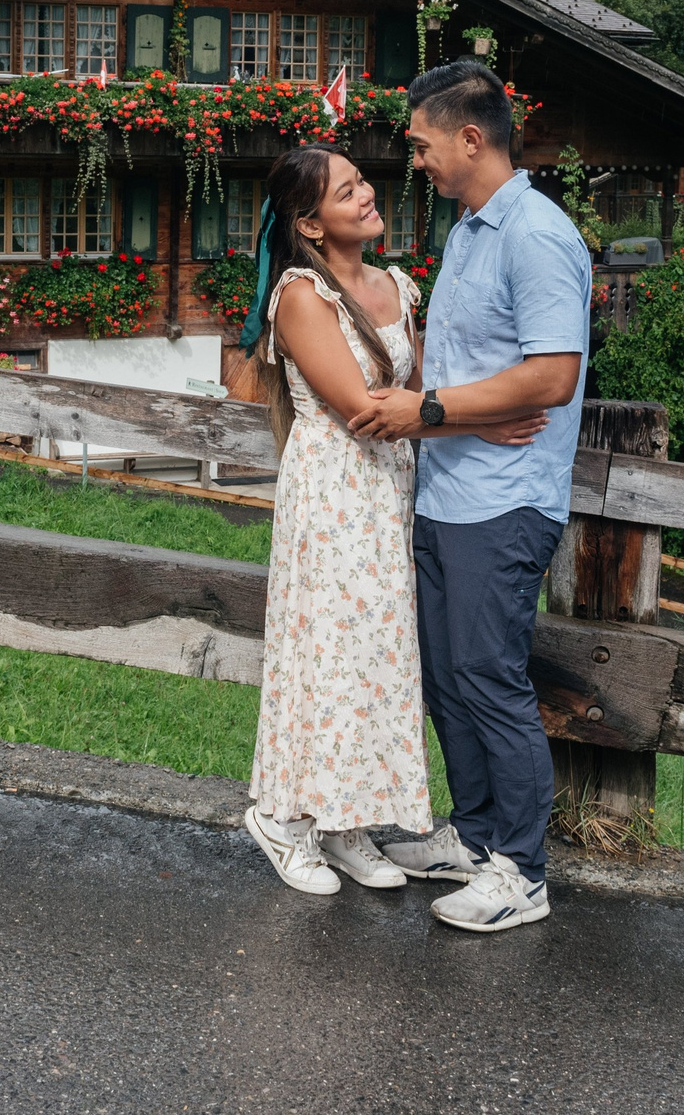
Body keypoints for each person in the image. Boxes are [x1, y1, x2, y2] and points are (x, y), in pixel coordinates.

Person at [240, 143, 545, 897]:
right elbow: (364, 412)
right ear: (311, 223)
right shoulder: (301, 295)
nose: (369, 194)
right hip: (334, 496)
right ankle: (282, 816)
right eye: (348, 192)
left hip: (388, 496)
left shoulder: (396, 285)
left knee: (377, 658)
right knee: (327, 655)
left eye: (362, 181)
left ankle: (346, 821)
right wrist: (480, 421)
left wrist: (462, 411)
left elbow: (423, 389)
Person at [350, 58, 590, 933]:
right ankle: (476, 833)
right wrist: (445, 419)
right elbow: (467, 372)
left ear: (470, 137)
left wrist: (433, 412)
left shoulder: (537, 234)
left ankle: (523, 872)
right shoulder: (469, 231)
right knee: (448, 677)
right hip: (448, 491)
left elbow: (553, 375)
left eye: (420, 145)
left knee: (489, 677)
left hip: (507, 498)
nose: (415, 161)